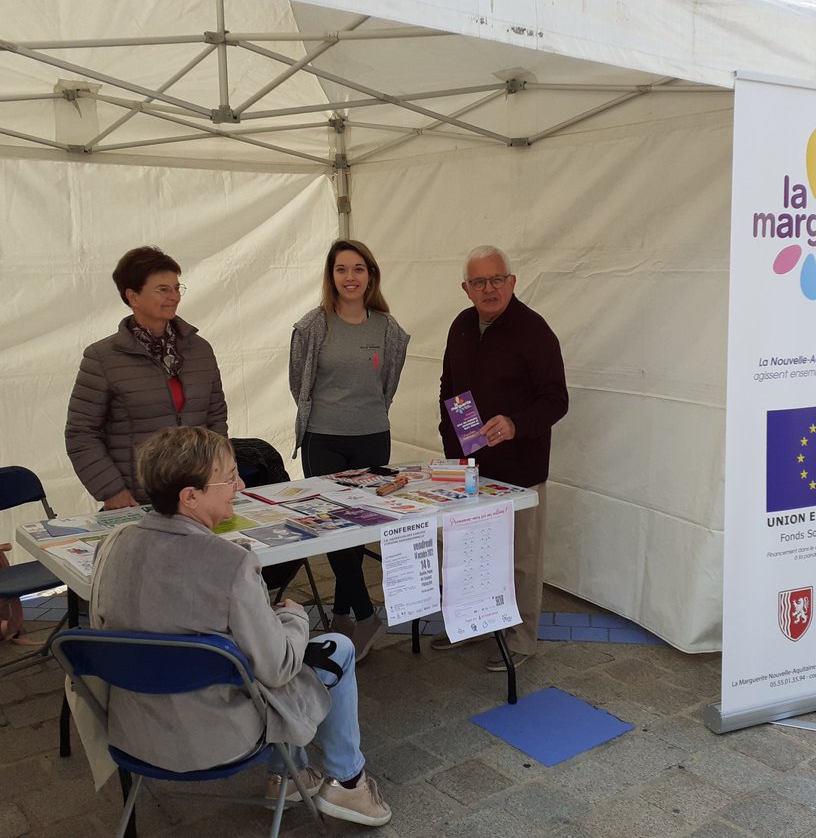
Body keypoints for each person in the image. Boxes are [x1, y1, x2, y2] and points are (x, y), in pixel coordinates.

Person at [90, 426, 391, 827]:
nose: (240, 485)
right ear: (190, 496)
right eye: (229, 477)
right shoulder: (230, 563)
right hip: (216, 736)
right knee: (337, 647)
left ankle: (292, 774)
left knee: (240, 653)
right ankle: (346, 784)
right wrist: (293, 616)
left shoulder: (111, 545)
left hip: (133, 734)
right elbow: (278, 667)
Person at [435, 245, 569, 671]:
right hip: (470, 467)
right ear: (466, 288)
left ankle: (521, 639)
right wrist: (452, 444)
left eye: (497, 279)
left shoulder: (534, 331)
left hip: (521, 470)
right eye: (479, 281)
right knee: (468, 552)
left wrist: (515, 423)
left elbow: (556, 399)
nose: (489, 288)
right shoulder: (460, 325)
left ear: (512, 282)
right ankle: (471, 625)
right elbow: (448, 388)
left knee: (521, 560)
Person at [289, 239, 410, 661]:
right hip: (323, 440)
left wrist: (363, 413)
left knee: (357, 531)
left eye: (359, 269)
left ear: (371, 276)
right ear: (331, 276)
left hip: (371, 438)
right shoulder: (312, 326)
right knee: (334, 530)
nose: (351, 277)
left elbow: (387, 384)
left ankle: (343, 615)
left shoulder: (388, 329)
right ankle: (365, 613)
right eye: (342, 269)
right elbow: (298, 384)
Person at [66, 246, 227, 509]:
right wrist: (111, 490)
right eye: (163, 289)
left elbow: (216, 417)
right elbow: (81, 433)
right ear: (133, 296)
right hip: (135, 499)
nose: (174, 297)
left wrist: (216, 475)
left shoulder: (200, 349)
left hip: (196, 493)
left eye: (177, 288)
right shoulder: (102, 357)